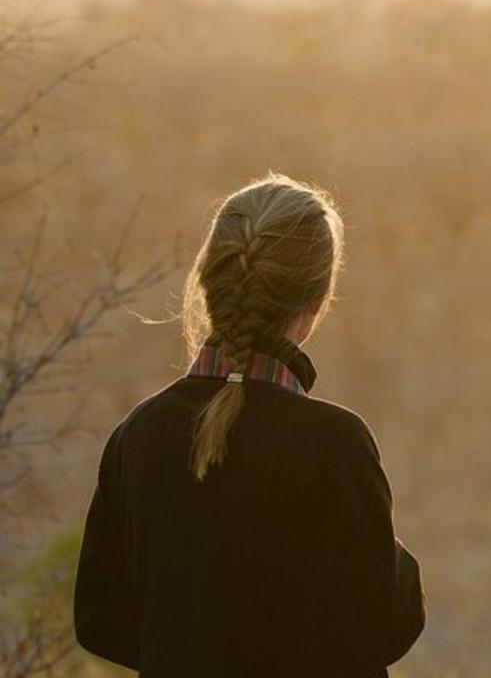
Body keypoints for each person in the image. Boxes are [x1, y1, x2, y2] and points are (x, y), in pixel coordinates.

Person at [74, 173, 425, 677]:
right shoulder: (335, 444)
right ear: (317, 299)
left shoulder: (139, 435)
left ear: (212, 284)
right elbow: (384, 625)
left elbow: (99, 619)